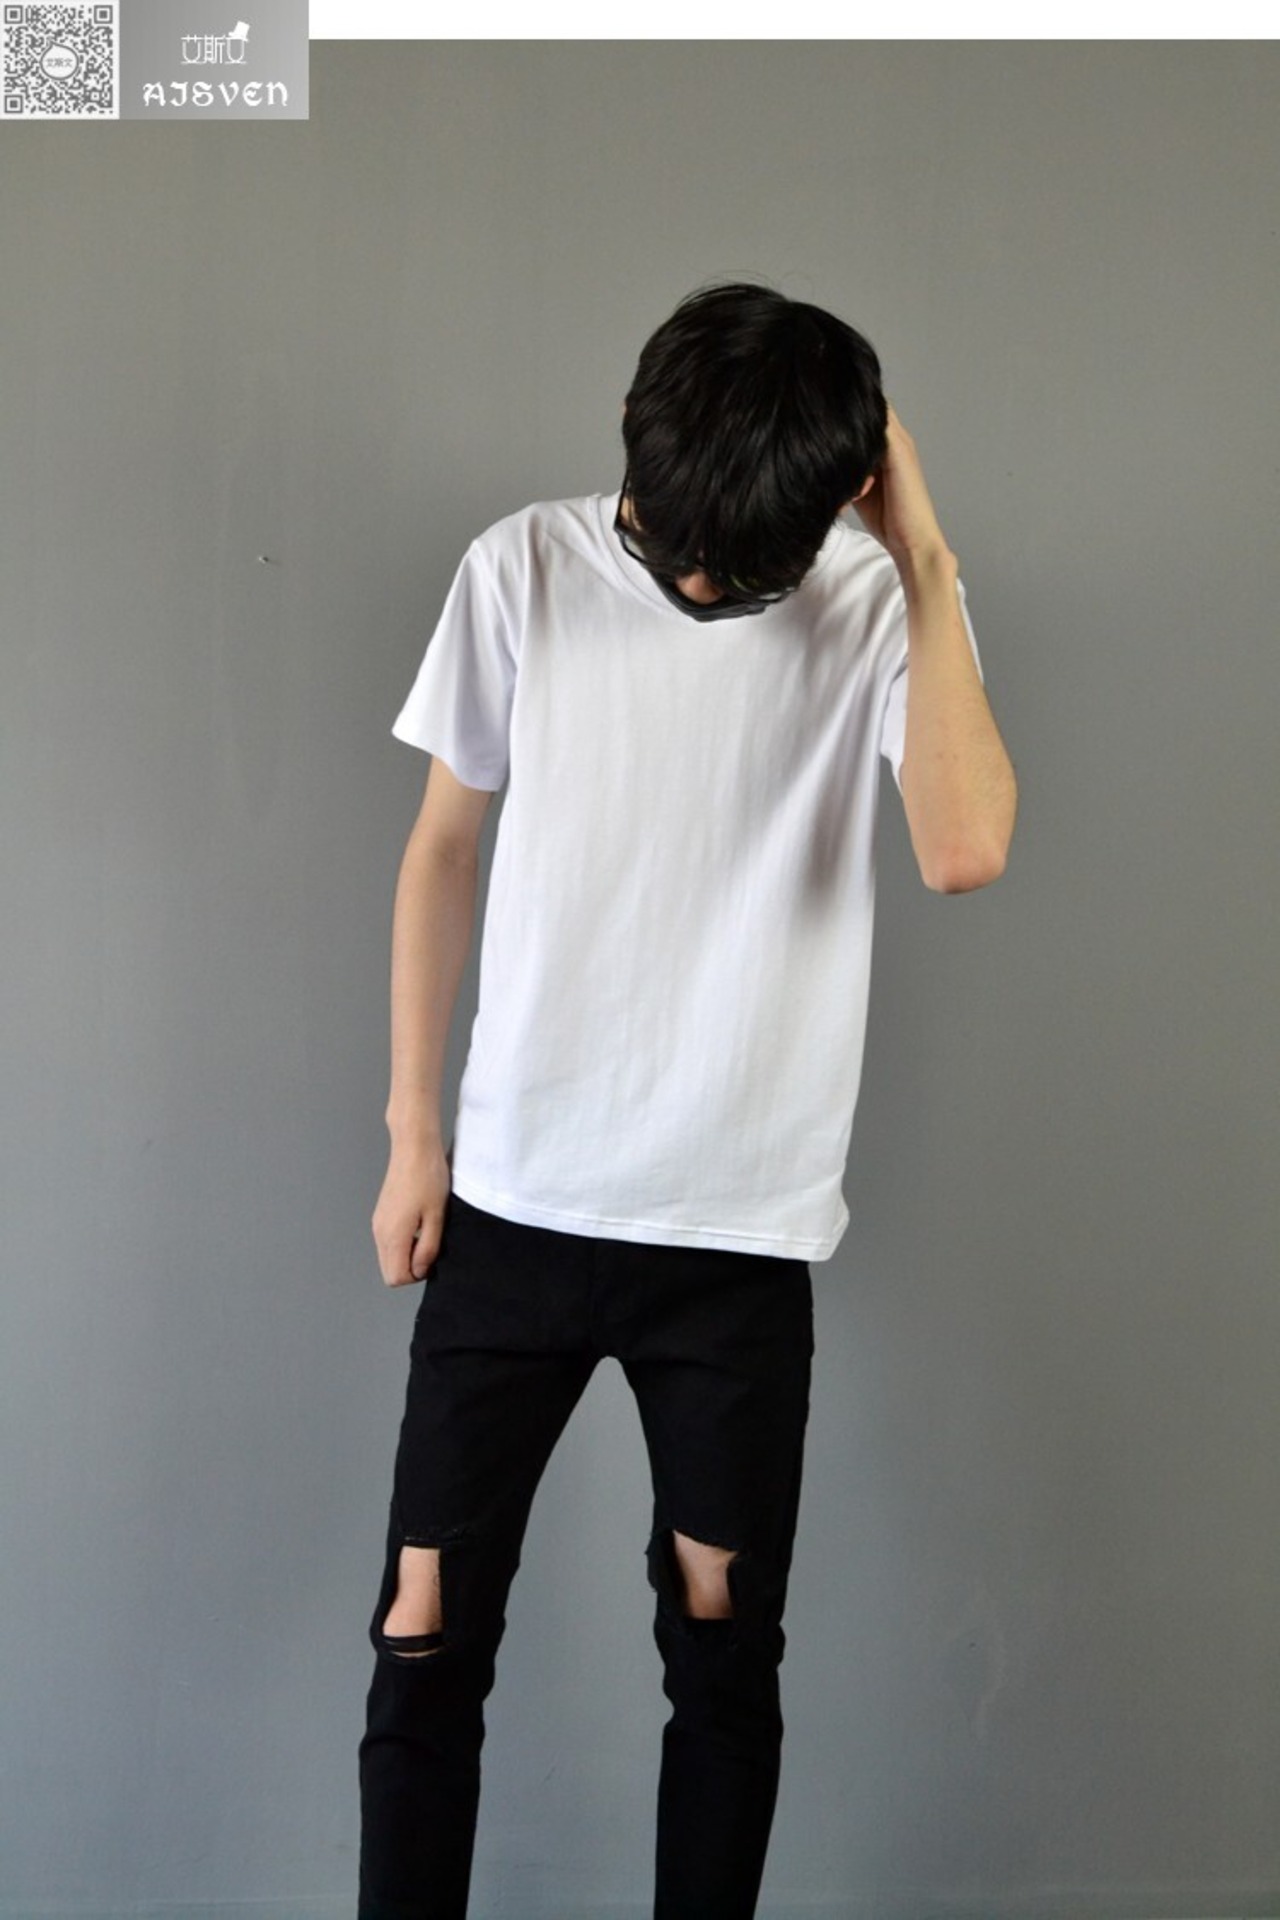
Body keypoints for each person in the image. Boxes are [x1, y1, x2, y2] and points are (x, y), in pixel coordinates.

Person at [357, 280, 1018, 1919]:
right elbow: (443, 849)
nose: (699, 582)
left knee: (724, 1657)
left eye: (739, 570)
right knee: (423, 1635)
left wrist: (928, 559)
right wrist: (415, 1130)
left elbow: (964, 848)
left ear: (843, 499)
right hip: (514, 1205)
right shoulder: (523, 568)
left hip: (735, 1240)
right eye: (672, 546)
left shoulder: (877, 607)